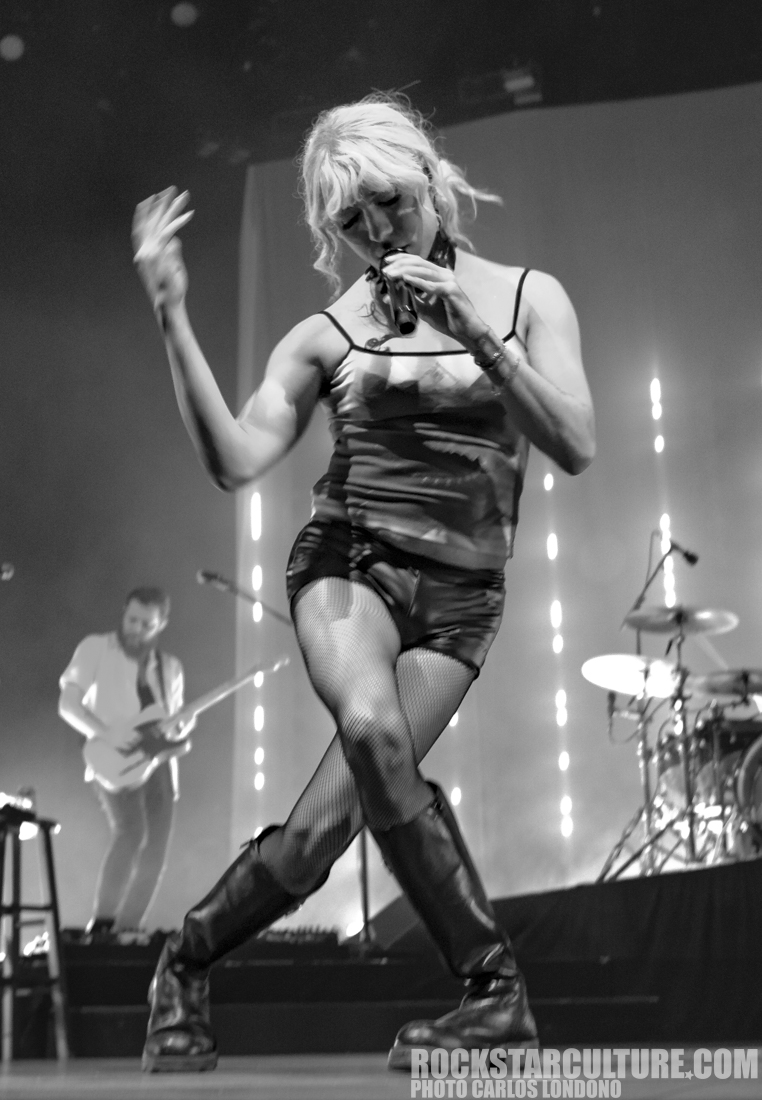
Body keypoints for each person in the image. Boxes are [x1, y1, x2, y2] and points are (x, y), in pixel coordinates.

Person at [131, 94, 595, 1073]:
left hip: (463, 601)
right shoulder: (327, 334)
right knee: (378, 735)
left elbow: (577, 443)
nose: (378, 233)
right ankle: (495, 992)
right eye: (351, 221)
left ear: (430, 179)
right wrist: (173, 315)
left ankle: (184, 959)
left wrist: (477, 333)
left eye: (389, 202)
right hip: (351, 569)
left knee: (319, 833)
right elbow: (236, 455)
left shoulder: (525, 298)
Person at [59, 586, 190, 939]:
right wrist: (105, 733)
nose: (136, 628)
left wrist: (183, 726)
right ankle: (102, 924)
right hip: (111, 759)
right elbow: (68, 705)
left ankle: (128, 927)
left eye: (146, 624)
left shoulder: (171, 667)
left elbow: (174, 721)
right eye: (132, 619)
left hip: (159, 764)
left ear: (161, 624)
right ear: (123, 613)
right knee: (130, 833)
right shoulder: (95, 648)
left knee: (157, 849)